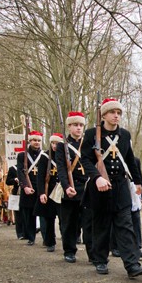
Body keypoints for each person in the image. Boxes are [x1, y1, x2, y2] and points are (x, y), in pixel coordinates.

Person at [80, 98, 142, 278]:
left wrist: (138, 181)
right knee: (101, 225)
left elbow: (130, 159)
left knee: (125, 226)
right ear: (104, 115)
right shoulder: (92, 133)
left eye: (118, 113)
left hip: (121, 186)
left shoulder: (124, 135)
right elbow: (85, 159)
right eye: (112, 112)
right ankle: (100, 260)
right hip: (100, 187)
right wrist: (97, 178)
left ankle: (132, 264)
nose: (116, 116)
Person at [56, 111, 90, 263]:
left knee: (89, 223)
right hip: (71, 188)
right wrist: (66, 186)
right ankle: (69, 251)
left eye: (81, 125)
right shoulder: (62, 147)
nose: (79, 128)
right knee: (69, 223)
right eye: (75, 125)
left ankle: (93, 253)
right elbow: (61, 169)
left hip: (87, 188)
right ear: (69, 126)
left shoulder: (88, 144)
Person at [16, 130, 46, 246]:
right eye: (34, 140)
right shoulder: (22, 155)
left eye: (38, 140)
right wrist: (25, 187)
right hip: (28, 188)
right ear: (30, 141)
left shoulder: (44, 155)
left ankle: (46, 239)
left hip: (41, 188)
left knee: (44, 214)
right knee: (28, 214)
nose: (36, 142)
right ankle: (31, 237)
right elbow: (20, 172)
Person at [37, 133, 63, 252]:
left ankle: (67, 241)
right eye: (53, 143)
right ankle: (50, 241)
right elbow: (40, 176)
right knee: (49, 218)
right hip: (49, 190)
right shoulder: (44, 156)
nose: (54, 146)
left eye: (57, 143)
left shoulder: (65, 155)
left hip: (61, 190)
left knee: (64, 218)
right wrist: (42, 192)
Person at [6, 164, 25, 239]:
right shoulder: (13, 169)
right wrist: (14, 180)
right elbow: (7, 181)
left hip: (28, 193)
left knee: (27, 214)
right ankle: (20, 233)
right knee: (18, 214)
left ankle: (27, 232)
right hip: (17, 193)